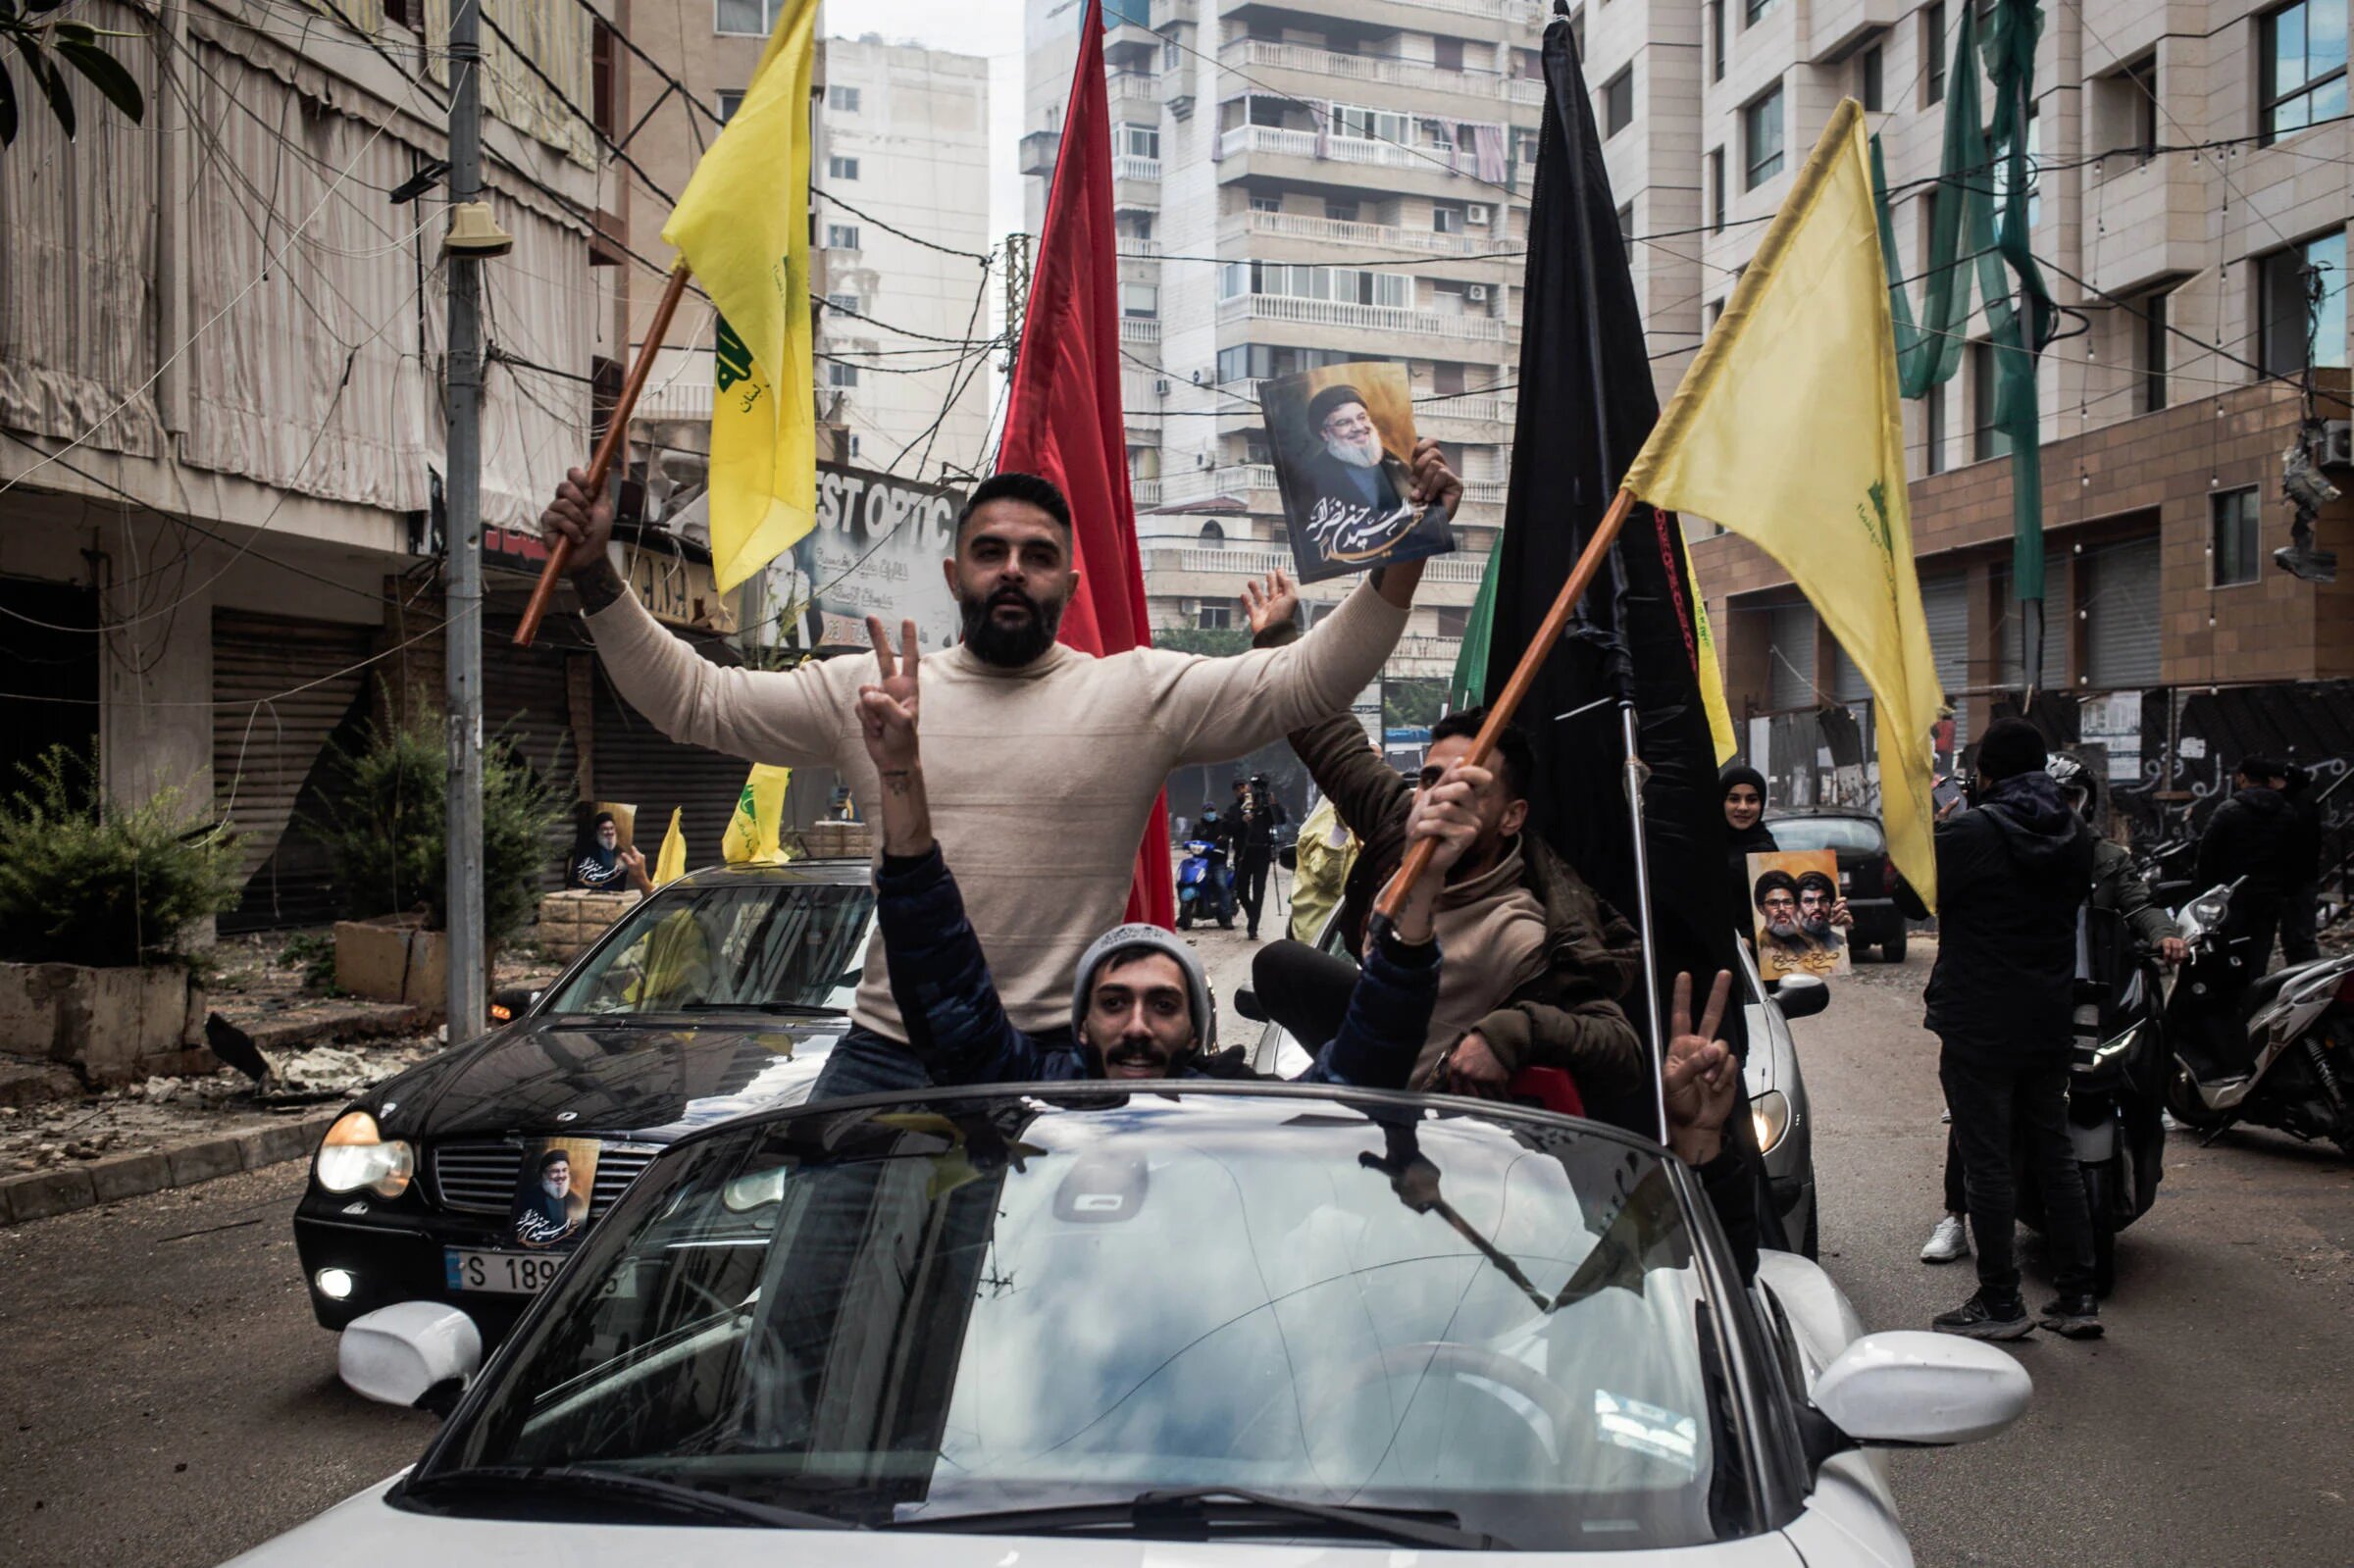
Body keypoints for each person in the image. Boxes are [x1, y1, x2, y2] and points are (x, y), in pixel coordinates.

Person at [538, 459, 1458, 1096]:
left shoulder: (1135, 693)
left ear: (1070, 583)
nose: (1013, 570)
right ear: (955, 574)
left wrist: (1401, 566)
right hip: (886, 1055)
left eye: (1038, 555)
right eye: (991, 552)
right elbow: (695, 701)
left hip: (1061, 1066)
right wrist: (594, 579)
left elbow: (1308, 680)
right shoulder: (870, 691)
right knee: (818, 1304)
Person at [847, 616, 1470, 1089]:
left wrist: (1418, 895)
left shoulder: (1234, 1121)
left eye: (1164, 1005)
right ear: (1080, 1027)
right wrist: (900, 776)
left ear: (1197, 1031)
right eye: (1114, 1003)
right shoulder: (1038, 1098)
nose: (1138, 1028)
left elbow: (1369, 1060)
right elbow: (942, 984)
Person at [1241, 572, 1648, 1129]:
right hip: (1357, 1077)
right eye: (1432, 779)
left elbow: (1619, 1045)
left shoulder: (1523, 935)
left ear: (1512, 816)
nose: (1441, 798)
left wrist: (1510, 1033)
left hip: (1435, 1136)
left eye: (1468, 787)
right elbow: (1328, 737)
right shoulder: (1402, 821)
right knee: (1280, 967)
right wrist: (1277, 638)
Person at [1920, 751, 2185, 1267]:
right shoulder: (1998, 841)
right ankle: (1956, 1216)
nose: (2060, 805)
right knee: (1978, 1119)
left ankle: (2156, 1106)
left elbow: (2139, 903)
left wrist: (2165, 935)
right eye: (2054, 794)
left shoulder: (2098, 853)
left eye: (2070, 797)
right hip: (2013, 1000)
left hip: (2086, 991)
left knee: (2149, 1029)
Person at [1922, 719, 2102, 1340]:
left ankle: (2001, 1301)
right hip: (2047, 1016)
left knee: (1988, 1162)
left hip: (1979, 1019)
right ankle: (2078, 1297)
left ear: (1986, 773)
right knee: (2054, 1153)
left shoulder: (1973, 829)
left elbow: (1912, 899)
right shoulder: (2074, 832)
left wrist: (1938, 828)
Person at [2194, 754, 2302, 982]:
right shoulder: (2287, 812)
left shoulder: (2228, 811)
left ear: (2242, 778)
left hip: (2232, 894)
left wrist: (2207, 891)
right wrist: (2287, 890)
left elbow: (2207, 854)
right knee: (2260, 948)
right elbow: (2296, 856)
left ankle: (2231, 991)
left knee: (2228, 948)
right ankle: (2255, 990)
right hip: (2270, 894)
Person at [1296, 384, 1416, 538]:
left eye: (1362, 417)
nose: (1358, 427)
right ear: (1325, 433)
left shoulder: (1397, 466)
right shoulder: (1310, 480)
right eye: (1344, 422)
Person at [1288, 795, 1358, 943]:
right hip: (1326, 934)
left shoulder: (1381, 819)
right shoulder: (1327, 822)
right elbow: (1325, 875)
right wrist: (1340, 831)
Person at [2277, 762, 2324, 967]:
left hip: (2298, 879)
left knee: (2299, 937)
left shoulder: (2296, 807)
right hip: (2302, 878)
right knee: (2296, 936)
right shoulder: (2303, 802)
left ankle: (2309, 975)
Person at [1233, 774, 1288, 940]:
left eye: (1245, 787)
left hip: (1262, 852)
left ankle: (1253, 926)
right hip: (1243, 853)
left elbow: (1280, 820)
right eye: (1239, 789)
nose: (1243, 791)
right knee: (1241, 890)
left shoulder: (1266, 804)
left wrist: (1274, 804)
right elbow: (1227, 827)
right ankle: (1252, 913)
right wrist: (1242, 820)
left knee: (1259, 891)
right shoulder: (1236, 808)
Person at [1720, 764, 1777, 913]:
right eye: (1734, 799)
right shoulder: (1704, 844)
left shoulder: (1767, 852)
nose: (1743, 807)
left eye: (1751, 800)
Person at [509, 1149, 579, 1248]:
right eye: (555, 1171)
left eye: (564, 1170)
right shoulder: (528, 1198)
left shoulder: (576, 1200)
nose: (561, 1176)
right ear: (544, 1174)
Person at [566, 811, 650, 893]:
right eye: (605, 829)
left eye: (611, 828)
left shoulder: (621, 852)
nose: (609, 832)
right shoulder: (585, 852)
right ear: (597, 831)